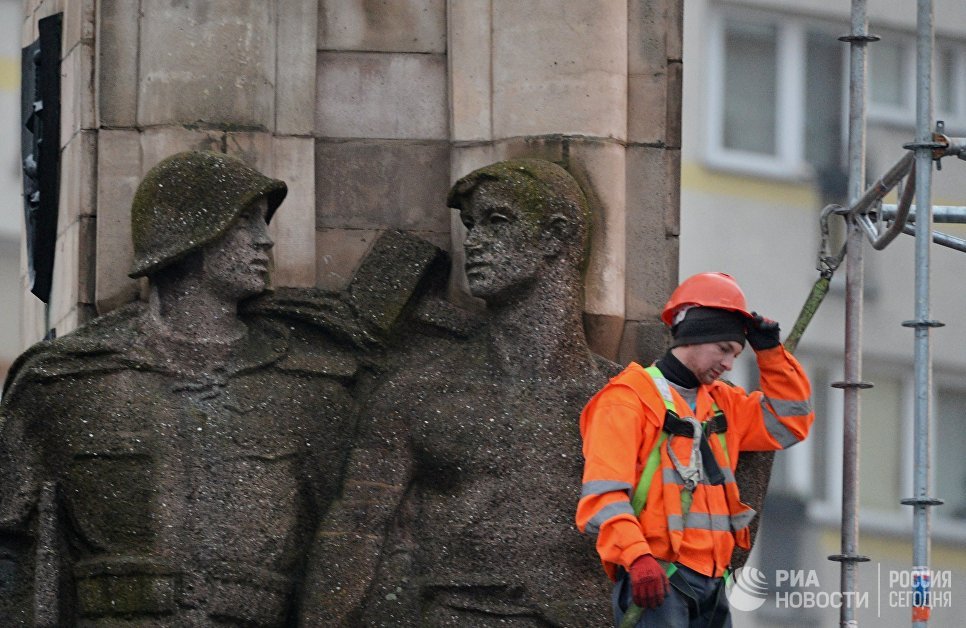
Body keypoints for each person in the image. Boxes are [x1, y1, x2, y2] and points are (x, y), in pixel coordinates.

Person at [0, 151, 359, 626]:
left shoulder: (309, 388)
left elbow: (350, 547)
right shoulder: (64, 382)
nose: (265, 242)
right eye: (245, 223)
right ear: (190, 238)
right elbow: (19, 558)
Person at [302, 159, 613, 626]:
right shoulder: (417, 393)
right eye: (470, 225)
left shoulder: (629, 398)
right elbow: (353, 533)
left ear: (555, 236)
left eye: (497, 221)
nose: (475, 241)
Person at [575, 272, 815, 627]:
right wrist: (637, 557)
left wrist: (771, 354)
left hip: (712, 584)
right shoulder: (628, 400)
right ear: (695, 336)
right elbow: (603, 495)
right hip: (657, 579)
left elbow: (791, 420)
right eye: (724, 350)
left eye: (735, 354)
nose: (729, 364)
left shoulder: (723, 404)